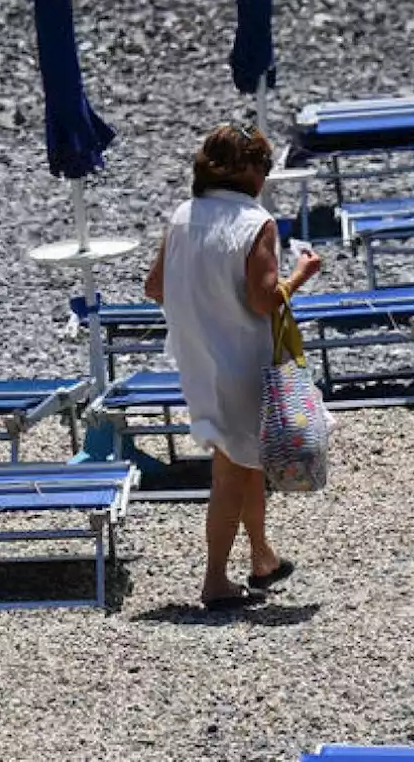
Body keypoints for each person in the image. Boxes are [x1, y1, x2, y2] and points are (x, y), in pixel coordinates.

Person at [144, 122, 321, 610]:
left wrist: (199, 303)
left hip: (197, 358)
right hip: (243, 362)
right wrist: (301, 275)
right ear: (253, 170)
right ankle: (215, 581)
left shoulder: (183, 215)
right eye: (264, 166)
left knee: (244, 462)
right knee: (231, 471)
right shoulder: (254, 222)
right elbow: (264, 301)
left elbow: (154, 287)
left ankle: (262, 558)